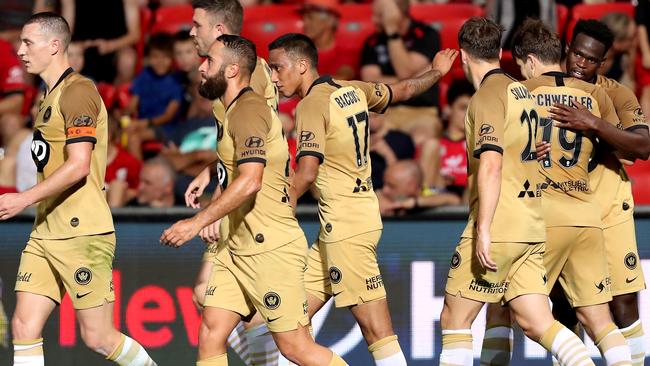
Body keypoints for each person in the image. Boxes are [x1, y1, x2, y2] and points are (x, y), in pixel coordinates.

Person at [268, 32, 456, 365]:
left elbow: (307, 172)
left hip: (346, 228)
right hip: (344, 225)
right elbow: (404, 90)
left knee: (378, 333)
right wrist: (437, 72)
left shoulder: (311, 104)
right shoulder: (351, 88)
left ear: (301, 65)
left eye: (278, 67)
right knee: (290, 326)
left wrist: (279, 209)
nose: (273, 76)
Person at [160, 34, 348, 366]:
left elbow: (250, 181)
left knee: (296, 348)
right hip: (238, 248)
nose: (201, 67)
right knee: (211, 335)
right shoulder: (230, 110)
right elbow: (240, 163)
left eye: (210, 62)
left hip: (270, 249)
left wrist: (197, 222)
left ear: (232, 70)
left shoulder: (248, 111)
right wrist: (211, 169)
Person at [0, 12, 156, 365]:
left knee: (99, 338)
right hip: (46, 231)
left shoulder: (78, 92)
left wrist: (22, 198)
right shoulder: (47, 97)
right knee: (24, 325)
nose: (20, 51)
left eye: (28, 42)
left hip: (81, 233)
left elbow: (79, 164)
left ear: (54, 45)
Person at [438, 17, 595, 365]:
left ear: (463, 56)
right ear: (498, 52)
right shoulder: (522, 91)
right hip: (530, 225)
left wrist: (483, 230)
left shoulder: (486, 97)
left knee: (454, 320)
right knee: (537, 322)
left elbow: (492, 163)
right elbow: (535, 150)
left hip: (501, 225)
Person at [480, 19, 634, 366]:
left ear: (530, 61)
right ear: (563, 52)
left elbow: (503, 156)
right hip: (585, 215)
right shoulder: (596, 95)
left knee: (500, 309)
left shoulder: (518, 93)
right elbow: (621, 147)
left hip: (538, 218)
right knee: (600, 321)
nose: (581, 63)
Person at [184, 0, 283, 364]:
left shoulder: (245, 75)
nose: (191, 32)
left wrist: (216, 211)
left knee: (213, 301)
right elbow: (238, 145)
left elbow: (256, 158)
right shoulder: (224, 72)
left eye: (197, 25)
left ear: (219, 30)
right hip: (238, 198)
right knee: (207, 300)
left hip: (254, 208)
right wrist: (211, 171)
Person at [551, 19, 649, 366]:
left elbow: (642, 145)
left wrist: (593, 123)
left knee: (622, 301)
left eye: (591, 59)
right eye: (577, 53)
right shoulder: (546, 88)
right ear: (567, 48)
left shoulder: (617, 93)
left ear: (603, 62)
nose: (581, 63)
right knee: (564, 304)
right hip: (561, 204)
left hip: (608, 201)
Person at [361, 0, 442, 137]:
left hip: (421, 112)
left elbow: (404, 71)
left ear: (398, 13)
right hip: (383, 113)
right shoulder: (373, 42)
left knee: (425, 138)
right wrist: (415, 78)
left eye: (380, 15)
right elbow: (370, 81)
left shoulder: (426, 35)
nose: (373, 20)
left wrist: (392, 31)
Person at [124, 33, 184, 160]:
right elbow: (133, 103)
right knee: (119, 135)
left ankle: (139, 174)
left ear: (172, 58)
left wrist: (144, 123)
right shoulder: (145, 75)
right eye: (155, 57)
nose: (160, 62)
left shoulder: (176, 81)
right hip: (142, 123)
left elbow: (168, 116)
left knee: (134, 138)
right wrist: (124, 116)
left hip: (166, 128)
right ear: (148, 58)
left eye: (165, 57)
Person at [418, 79, 473, 196]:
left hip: (468, 201)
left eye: (472, 110)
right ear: (448, 109)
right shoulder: (432, 146)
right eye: (463, 108)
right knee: (431, 145)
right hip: (435, 196)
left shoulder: (477, 145)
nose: (468, 114)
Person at [377, 159, 461, 216]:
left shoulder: (427, 193)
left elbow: (454, 199)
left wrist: (414, 203)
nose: (385, 190)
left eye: (391, 186)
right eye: (385, 184)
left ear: (412, 186)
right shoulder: (380, 197)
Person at [300, 0, 358, 80]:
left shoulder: (347, 50)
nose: (305, 23)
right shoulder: (300, 51)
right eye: (303, 18)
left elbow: (343, 78)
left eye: (310, 17)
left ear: (330, 21)